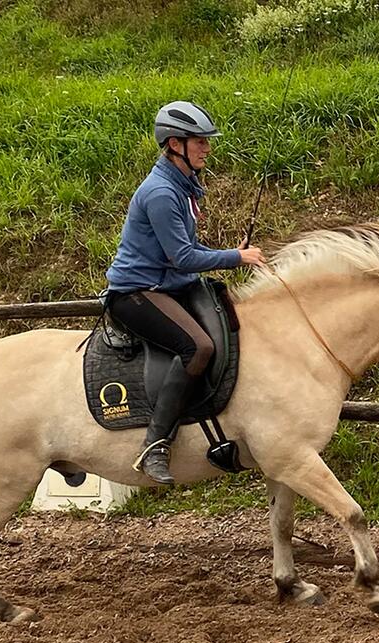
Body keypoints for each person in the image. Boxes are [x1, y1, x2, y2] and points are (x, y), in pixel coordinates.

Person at [105, 101, 266, 484]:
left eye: (206, 141)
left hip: (171, 284)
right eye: (200, 142)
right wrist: (236, 257)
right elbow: (182, 256)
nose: (207, 148)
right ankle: (156, 444)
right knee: (199, 347)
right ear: (176, 144)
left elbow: (181, 248)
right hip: (137, 291)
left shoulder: (183, 185)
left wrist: (229, 253)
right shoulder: (161, 192)